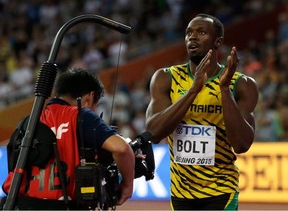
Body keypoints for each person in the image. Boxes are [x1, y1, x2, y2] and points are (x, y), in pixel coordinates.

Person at [145, 13, 259, 210]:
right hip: (180, 191)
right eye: (189, 32)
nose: (193, 37)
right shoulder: (166, 78)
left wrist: (224, 90)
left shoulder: (240, 84)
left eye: (201, 32)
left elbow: (241, 144)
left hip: (221, 189)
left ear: (218, 42)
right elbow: (153, 133)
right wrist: (193, 91)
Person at [1, 68, 135, 210]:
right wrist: (127, 186)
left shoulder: (28, 122)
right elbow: (121, 148)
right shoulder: (81, 116)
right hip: (62, 205)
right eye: (96, 105)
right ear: (90, 97)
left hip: (20, 205)